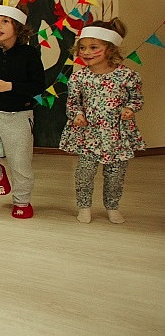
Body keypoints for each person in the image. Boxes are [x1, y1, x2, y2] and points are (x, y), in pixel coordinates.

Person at [59, 19, 144, 224]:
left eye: (93, 47)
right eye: (82, 48)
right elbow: (73, 103)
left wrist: (130, 109)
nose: (86, 52)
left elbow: (136, 99)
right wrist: (77, 114)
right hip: (88, 135)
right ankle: (84, 206)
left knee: (115, 175)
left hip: (117, 136)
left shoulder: (127, 76)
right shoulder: (79, 78)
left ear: (110, 49)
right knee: (84, 173)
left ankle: (112, 207)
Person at [0, 2, 46, 219]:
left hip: (20, 116)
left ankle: (22, 202)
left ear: (18, 27)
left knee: (20, 164)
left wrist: (10, 86)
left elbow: (38, 86)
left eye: (5, 21)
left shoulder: (30, 54)